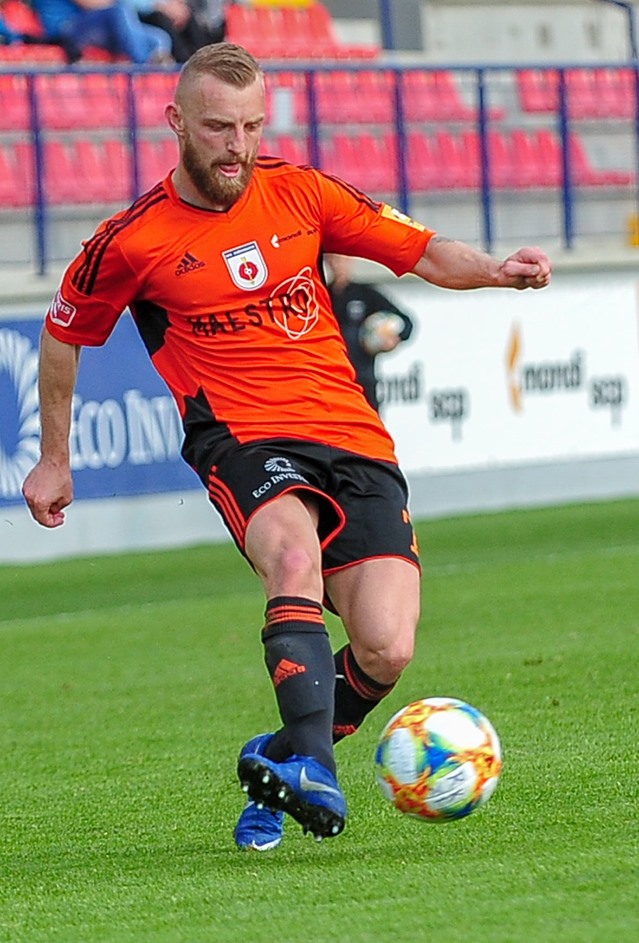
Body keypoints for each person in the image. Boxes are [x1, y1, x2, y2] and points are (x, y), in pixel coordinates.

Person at [22, 42, 552, 851]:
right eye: (217, 128)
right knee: (293, 561)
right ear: (176, 122)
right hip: (241, 437)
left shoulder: (302, 191)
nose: (236, 146)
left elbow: (418, 249)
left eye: (250, 126)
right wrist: (55, 457)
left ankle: (278, 760)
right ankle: (314, 768)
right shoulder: (132, 239)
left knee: (385, 646)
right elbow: (64, 333)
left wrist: (495, 269)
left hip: (351, 435)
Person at [326, 252, 414, 412]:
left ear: (351, 260)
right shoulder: (322, 296)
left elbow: (406, 323)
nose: (338, 263)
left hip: (362, 378)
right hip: (330, 379)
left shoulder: (366, 294)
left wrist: (393, 338)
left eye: (342, 259)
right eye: (334, 259)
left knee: (367, 422)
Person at [33, 0, 173, 64]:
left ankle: (155, 69)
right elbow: (91, 4)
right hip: (65, 29)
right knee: (119, 10)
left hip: (86, 25)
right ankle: (142, 66)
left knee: (159, 38)